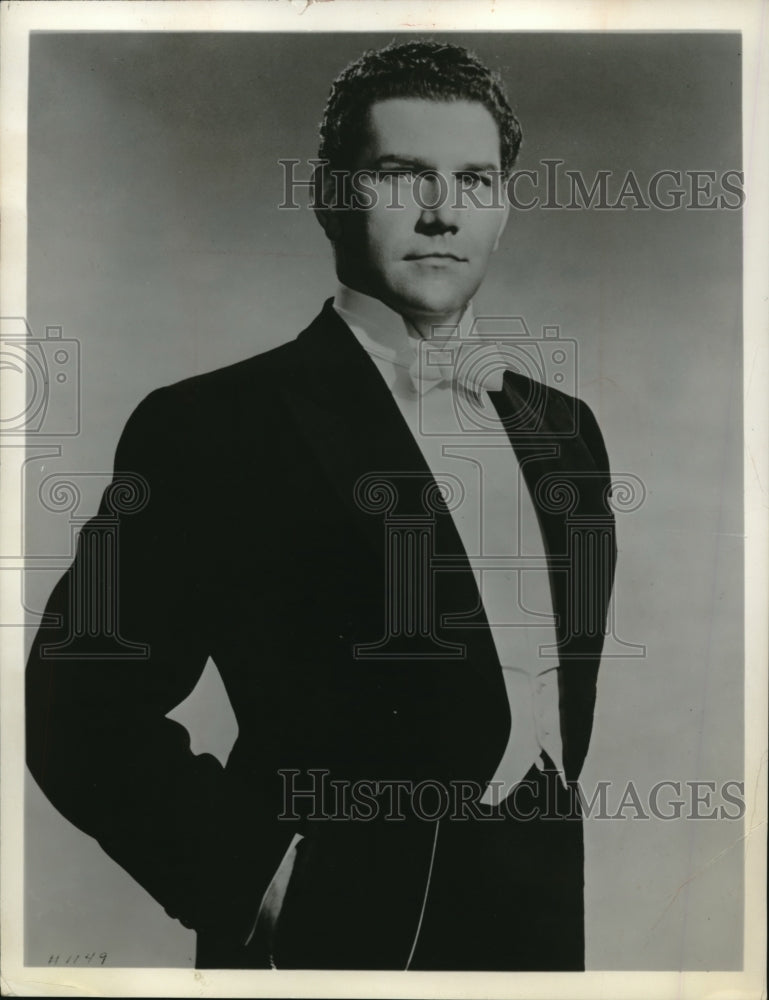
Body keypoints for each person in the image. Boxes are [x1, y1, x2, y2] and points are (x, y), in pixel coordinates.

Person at [26, 39, 616, 971]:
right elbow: (76, 706)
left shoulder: (564, 430)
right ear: (328, 194)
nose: (439, 212)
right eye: (400, 174)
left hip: (537, 917)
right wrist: (260, 886)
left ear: (502, 208)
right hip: (331, 926)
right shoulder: (212, 426)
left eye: (472, 179)